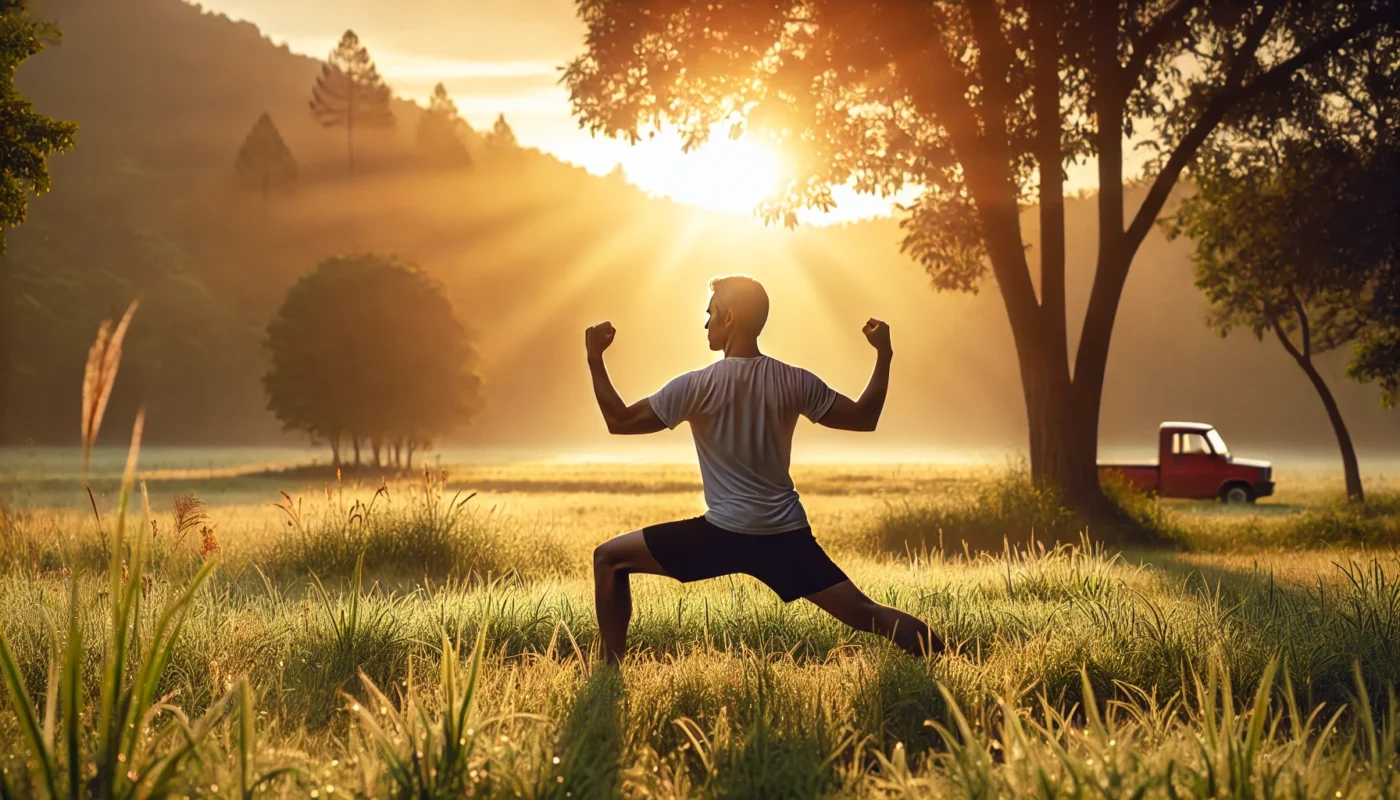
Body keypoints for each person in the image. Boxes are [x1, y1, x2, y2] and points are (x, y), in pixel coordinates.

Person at [585, 274, 941, 662]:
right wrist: (884, 354)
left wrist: (595, 358)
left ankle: (608, 673)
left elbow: (619, 421)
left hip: (721, 535)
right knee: (866, 613)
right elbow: (864, 416)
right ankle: (953, 662)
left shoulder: (695, 386)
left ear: (730, 318)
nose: (706, 323)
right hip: (784, 536)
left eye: (710, 314)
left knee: (609, 558)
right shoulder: (794, 380)